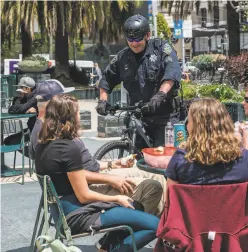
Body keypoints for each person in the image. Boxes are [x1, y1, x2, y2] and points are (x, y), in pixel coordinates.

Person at [35, 94, 160, 251]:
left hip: (60, 213)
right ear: (69, 117)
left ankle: (107, 246)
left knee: (135, 207)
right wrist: (116, 198)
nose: (79, 116)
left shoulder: (43, 145)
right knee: (157, 225)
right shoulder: (68, 148)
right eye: (78, 112)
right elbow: (84, 195)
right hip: (78, 216)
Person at [30, 80, 163, 215]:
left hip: (91, 178)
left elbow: (76, 165)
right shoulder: (47, 136)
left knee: (150, 176)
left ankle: (146, 224)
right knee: (153, 185)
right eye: (63, 97)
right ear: (56, 102)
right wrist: (110, 179)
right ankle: (142, 225)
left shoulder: (49, 130)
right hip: (87, 187)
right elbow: (70, 175)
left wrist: (112, 164)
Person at [96, 14, 183, 150]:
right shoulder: (122, 57)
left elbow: (171, 73)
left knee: (163, 159)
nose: (134, 43)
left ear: (147, 35)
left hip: (165, 116)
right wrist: (103, 101)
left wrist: (160, 95)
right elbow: (106, 79)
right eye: (130, 39)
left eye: (138, 38)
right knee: (136, 157)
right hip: (139, 116)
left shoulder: (162, 49)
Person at [166, 98, 248, 188]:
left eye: (189, 121)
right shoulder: (246, 159)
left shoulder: (181, 159)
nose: (187, 125)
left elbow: (170, 199)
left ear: (196, 127)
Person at [4, 77, 38, 153]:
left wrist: (24, 109)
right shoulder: (26, 97)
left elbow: (22, 108)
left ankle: (36, 156)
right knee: (7, 141)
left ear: (28, 89)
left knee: (10, 142)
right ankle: (36, 154)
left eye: (21, 88)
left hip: (36, 131)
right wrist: (26, 110)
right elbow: (12, 109)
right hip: (31, 129)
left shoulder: (35, 97)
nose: (20, 90)